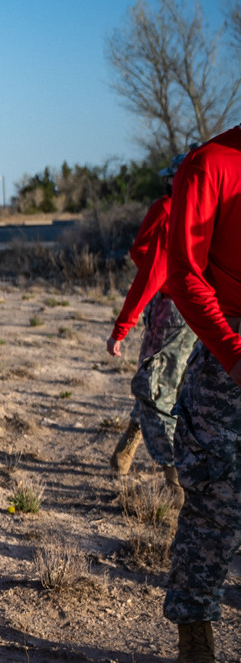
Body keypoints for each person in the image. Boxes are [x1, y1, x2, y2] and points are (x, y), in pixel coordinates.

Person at [160, 123, 241, 663]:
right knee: (216, 503)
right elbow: (183, 273)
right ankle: (196, 645)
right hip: (228, 358)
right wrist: (235, 356)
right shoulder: (211, 164)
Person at [107, 153, 197, 488]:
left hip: (174, 309)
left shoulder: (169, 210)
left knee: (155, 387)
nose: (170, 182)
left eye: (174, 176)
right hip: (209, 314)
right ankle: (128, 451)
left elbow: (148, 264)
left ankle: (175, 482)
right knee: (168, 384)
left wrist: (121, 328)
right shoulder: (212, 209)